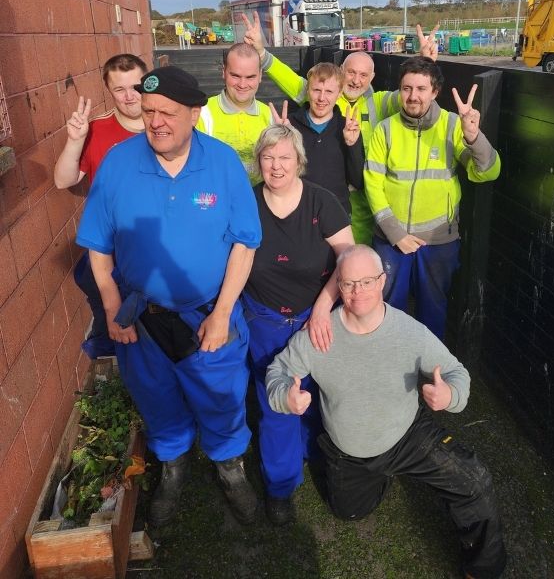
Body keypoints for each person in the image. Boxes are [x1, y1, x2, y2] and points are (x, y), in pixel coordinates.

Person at [76, 66, 262, 527]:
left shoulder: (223, 163)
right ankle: (174, 464)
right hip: (141, 317)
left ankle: (229, 466)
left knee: (222, 397)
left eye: (168, 112)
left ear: (195, 114)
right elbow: (98, 245)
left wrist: (222, 314)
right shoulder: (119, 163)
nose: (156, 122)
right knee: (155, 396)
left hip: (208, 315)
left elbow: (245, 244)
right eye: (149, 111)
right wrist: (112, 307)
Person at [265, 245, 506, 579]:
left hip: (407, 435)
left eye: (367, 281)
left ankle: (483, 570)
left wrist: (450, 395)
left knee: (474, 480)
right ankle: (376, 475)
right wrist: (285, 399)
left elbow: (457, 373)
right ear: (339, 286)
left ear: (382, 281)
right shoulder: (319, 334)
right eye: (349, 284)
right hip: (350, 449)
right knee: (349, 512)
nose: (358, 291)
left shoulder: (410, 332)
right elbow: (277, 372)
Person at [242, 12, 439, 244]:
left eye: (363, 75)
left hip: (365, 196)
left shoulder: (380, 102)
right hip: (329, 194)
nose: (356, 80)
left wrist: (425, 63)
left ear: (372, 77)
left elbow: (412, 94)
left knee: (357, 251)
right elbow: (284, 75)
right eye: (351, 73)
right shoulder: (324, 92)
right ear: (341, 72)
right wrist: (260, 51)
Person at [243, 124, 354, 525]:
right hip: (265, 320)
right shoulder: (246, 202)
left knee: (321, 395)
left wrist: (323, 308)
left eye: (285, 157)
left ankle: (320, 456)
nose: (276, 166)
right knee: (277, 403)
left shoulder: (322, 201)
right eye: (268, 157)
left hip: (315, 318)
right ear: (258, 162)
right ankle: (280, 485)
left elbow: (348, 259)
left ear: (299, 162)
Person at [364, 56, 500, 341]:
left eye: (421, 89)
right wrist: (396, 234)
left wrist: (474, 136)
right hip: (391, 240)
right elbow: (373, 184)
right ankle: (392, 364)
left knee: (433, 310)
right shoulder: (385, 129)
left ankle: (430, 365)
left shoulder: (452, 126)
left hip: (438, 241)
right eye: (406, 88)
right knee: (387, 311)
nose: (412, 96)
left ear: (435, 91)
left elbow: (487, 172)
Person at [54, 53, 148, 359]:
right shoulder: (96, 129)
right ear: (109, 90)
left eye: (136, 86)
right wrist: (75, 140)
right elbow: (63, 181)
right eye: (119, 89)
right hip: (110, 251)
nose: (130, 96)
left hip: (153, 246)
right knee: (116, 328)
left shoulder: (164, 125)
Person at [284, 62, 363, 216]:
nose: (321, 98)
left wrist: (352, 145)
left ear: (339, 94)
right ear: (308, 90)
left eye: (329, 92)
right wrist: (282, 139)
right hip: (297, 212)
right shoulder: (290, 124)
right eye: (316, 90)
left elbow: (358, 182)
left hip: (336, 214)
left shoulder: (348, 128)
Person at [195, 42, 272, 184]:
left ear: (260, 75)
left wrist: (287, 141)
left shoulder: (270, 115)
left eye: (250, 77)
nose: (242, 84)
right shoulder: (201, 113)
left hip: (258, 197)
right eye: (235, 76)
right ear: (223, 72)